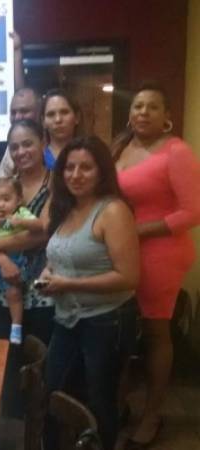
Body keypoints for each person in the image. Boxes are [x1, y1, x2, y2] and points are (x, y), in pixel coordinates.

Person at [112, 83, 200, 447]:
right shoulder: (121, 147)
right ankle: (118, 408)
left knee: (154, 332)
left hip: (161, 252)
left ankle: (152, 415)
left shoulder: (176, 152)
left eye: (152, 107)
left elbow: (193, 211)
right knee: (122, 329)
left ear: (167, 117)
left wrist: (140, 230)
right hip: (124, 249)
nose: (143, 112)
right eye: (137, 106)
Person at [42, 136, 139, 450]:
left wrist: (69, 285)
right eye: (69, 168)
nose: (76, 174)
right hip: (67, 318)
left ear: (102, 172)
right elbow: (59, 256)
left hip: (106, 321)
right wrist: (49, 274)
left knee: (100, 402)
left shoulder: (112, 211)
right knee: (53, 391)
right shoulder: (67, 209)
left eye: (86, 167)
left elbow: (128, 277)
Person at [0, 119, 53, 417]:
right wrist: (3, 259)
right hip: (4, 287)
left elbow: (43, 234)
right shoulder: (3, 185)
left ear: (42, 143)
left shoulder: (55, 183)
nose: (21, 151)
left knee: (40, 366)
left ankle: (38, 433)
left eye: (28, 143)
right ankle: (5, 432)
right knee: (7, 362)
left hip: (42, 290)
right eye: (14, 146)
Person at [0, 177, 43, 343]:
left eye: (6, 199)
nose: (1, 205)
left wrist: (21, 222)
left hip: (15, 259)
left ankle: (16, 327)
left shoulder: (21, 213)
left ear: (18, 200)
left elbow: (39, 226)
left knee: (13, 294)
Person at [0, 87, 42, 178]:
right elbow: (0, 184)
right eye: (13, 113)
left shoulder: (54, 139)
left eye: (24, 111)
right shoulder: (12, 148)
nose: (17, 117)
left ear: (39, 113)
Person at [40, 88, 81, 169]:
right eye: (51, 114)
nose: (58, 119)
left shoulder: (91, 157)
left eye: (64, 112)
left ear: (77, 117)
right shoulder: (37, 159)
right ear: (43, 121)